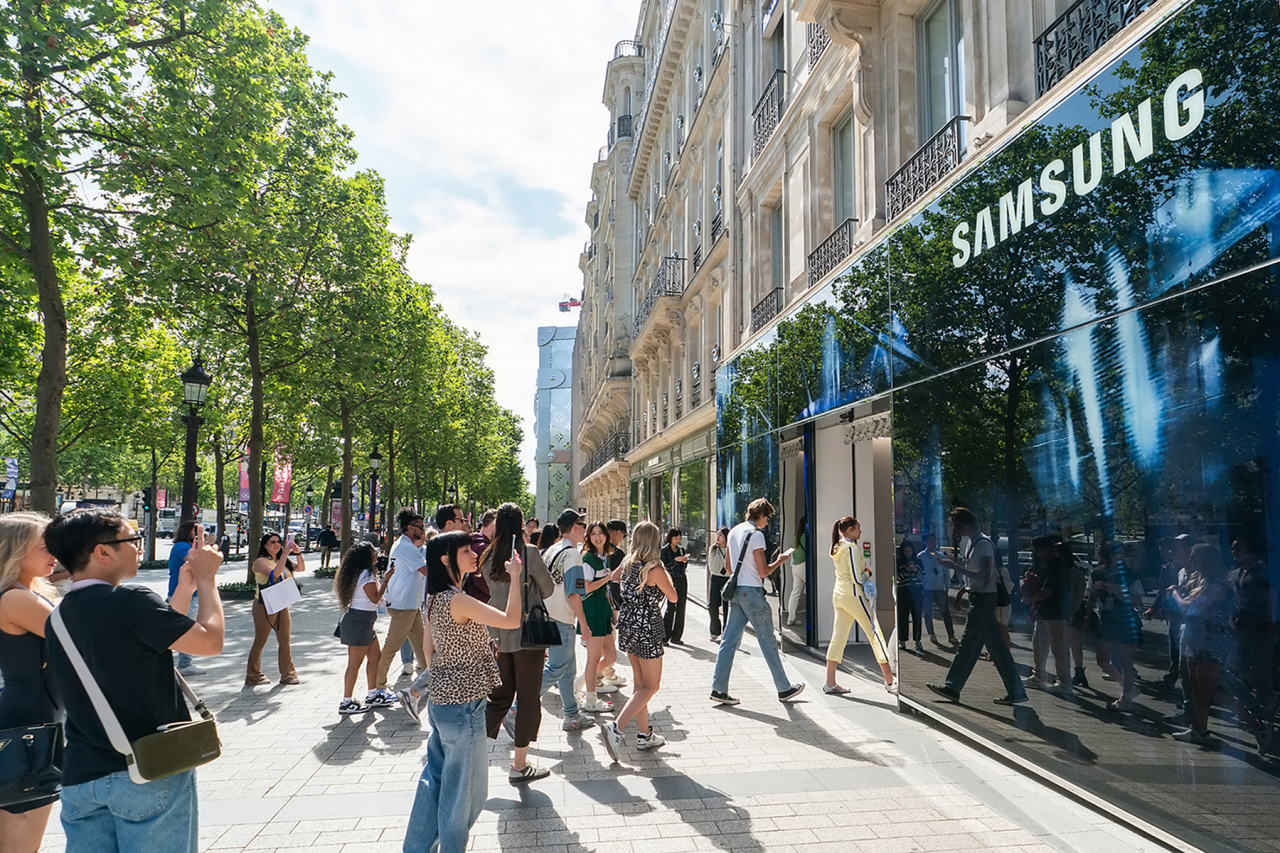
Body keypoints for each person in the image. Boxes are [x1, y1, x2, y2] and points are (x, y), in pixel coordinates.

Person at [44, 509, 224, 853]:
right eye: (133, 540)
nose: (140, 548)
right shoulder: (130, 600)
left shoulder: (59, 617)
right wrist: (206, 580)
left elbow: (154, 638)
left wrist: (184, 589)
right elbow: (209, 641)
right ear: (103, 551)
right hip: (147, 770)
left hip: (82, 777)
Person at [403, 531, 522, 852]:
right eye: (467, 550)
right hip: (464, 707)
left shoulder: (435, 597)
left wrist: (445, 676)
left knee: (435, 782)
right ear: (446, 559)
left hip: (443, 704)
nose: (475, 555)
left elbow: (429, 650)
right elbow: (511, 620)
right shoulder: (458, 599)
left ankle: (416, 847)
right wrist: (515, 578)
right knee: (465, 794)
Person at [0, 512, 63, 853]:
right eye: (45, 546)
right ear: (15, 552)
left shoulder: (23, 593)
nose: (54, 552)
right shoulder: (16, 598)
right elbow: (79, 638)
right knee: (20, 843)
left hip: (29, 718)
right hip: (29, 725)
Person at [482, 503, 557, 781]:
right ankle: (519, 764)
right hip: (528, 636)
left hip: (499, 636)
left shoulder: (488, 556)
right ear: (520, 524)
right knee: (527, 698)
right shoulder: (529, 554)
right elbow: (548, 589)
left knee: (499, 697)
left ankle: (472, 754)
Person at [1171, 544, 1270, 747]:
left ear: (1206, 560)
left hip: (1212, 640)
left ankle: (1257, 725)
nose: (1190, 561)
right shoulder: (1201, 581)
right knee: (1197, 687)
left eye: (1193, 557)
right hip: (1194, 636)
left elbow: (1191, 607)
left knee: (1210, 688)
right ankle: (1199, 730)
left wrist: (1174, 595)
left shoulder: (1218, 585)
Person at [927, 507, 1027, 706]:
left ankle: (952, 687)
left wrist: (954, 567)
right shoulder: (974, 542)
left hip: (982, 598)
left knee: (968, 644)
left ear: (967, 524)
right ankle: (1016, 691)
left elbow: (984, 576)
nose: (955, 529)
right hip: (980, 597)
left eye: (957, 525)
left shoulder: (981, 544)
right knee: (996, 647)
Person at [710, 498, 805, 705]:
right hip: (752, 592)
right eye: (767, 517)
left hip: (737, 593)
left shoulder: (734, 531)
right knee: (768, 642)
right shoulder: (757, 535)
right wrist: (779, 560)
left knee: (728, 641)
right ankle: (784, 689)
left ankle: (718, 688)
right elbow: (763, 571)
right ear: (760, 515)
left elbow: (728, 568)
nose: (767, 522)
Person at [600, 521, 676, 761]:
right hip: (648, 626)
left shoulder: (627, 563)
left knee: (640, 683)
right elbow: (673, 596)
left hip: (629, 623)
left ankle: (644, 734)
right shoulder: (654, 569)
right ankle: (617, 727)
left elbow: (613, 580)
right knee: (651, 686)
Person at [537, 510, 595, 729]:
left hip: (547, 615)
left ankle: (571, 714)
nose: (585, 529)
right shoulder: (572, 555)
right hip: (562, 619)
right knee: (557, 669)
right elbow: (574, 593)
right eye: (583, 524)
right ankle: (517, 706)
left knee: (567, 670)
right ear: (575, 527)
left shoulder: (552, 549)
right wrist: (584, 624)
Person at [824, 517, 895, 694]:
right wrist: (868, 572)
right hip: (854, 595)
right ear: (849, 530)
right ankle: (890, 681)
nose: (860, 532)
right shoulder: (852, 548)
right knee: (875, 634)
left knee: (837, 638)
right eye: (858, 528)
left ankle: (830, 682)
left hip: (839, 595)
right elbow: (858, 578)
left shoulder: (836, 547)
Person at [333, 543, 398, 714]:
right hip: (360, 622)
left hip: (364, 621)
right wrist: (386, 579)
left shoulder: (357, 573)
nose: (376, 554)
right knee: (355, 664)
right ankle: (346, 701)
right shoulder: (367, 575)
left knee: (375, 657)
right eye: (373, 552)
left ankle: (372, 693)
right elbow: (375, 598)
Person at [372, 509, 429, 693]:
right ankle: (377, 687)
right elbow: (428, 571)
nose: (423, 530)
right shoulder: (407, 547)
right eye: (420, 527)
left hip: (408, 604)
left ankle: (431, 681)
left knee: (422, 646)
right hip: (404, 605)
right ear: (410, 527)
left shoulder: (403, 544)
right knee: (392, 647)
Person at [1088, 542, 1142, 710]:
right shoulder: (1097, 573)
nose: (1119, 557)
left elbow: (1138, 600)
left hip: (1124, 618)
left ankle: (1126, 697)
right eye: (1114, 553)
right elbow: (1091, 596)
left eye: (1121, 553)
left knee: (1125, 659)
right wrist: (1086, 616)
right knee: (1102, 660)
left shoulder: (1130, 575)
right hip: (1105, 618)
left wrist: (1118, 590)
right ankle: (1128, 687)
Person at [245, 531, 303, 686]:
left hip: (281, 603)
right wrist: (284, 554)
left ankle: (287, 674)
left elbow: (301, 568)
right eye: (272, 542)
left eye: (278, 542)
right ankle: (253, 674)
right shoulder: (260, 561)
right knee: (261, 639)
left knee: (285, 639)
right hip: (264, 604)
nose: (276, 545)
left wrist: (297, 553)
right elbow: (275, 574)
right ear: (265, 545)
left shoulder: (282, 559)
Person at [1025, 536, 1072, 695]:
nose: (1037, 554)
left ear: (1045, 548)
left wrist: (1029, 599)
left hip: (1055, 612)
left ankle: (1065, 682)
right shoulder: (1046, 564)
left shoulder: (1057, 565)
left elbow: (1048, 590)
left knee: (1058, 648)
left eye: (1038, 550)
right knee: (1039, 643)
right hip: (1044, 612)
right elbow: (1044, 584)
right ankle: (1039, 675)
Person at [1229, 538, 1273, 708]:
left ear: (1251, 552)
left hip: (1259, 628)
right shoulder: (1238, 572)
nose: (1234, 552)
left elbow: (1271, 599)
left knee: (1261, 668)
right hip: (1240, 627)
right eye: (1233, 549)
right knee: (1238, 667)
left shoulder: (1261, 573)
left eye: (1238, 548)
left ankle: (1264, 706)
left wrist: (1269, 622)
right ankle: (1247, 704)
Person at [580, 522, 619, 712]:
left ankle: (581, 682)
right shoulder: (588, 558)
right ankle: (590, 699)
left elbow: (605, 588)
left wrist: (612, 612)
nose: (598, 537)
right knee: (593, 658)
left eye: (601, 533)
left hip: (603, 607)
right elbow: (586, 587)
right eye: (593, 534)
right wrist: (607, 578)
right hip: (592, 608)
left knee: (611, 656)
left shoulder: (604, 557)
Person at [167, 520, 204, 676]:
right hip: (182, 594)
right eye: (196, 529)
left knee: (183, 629)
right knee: (185, 629)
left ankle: (184, 663)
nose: (198, 532)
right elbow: (195, 560)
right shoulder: (182, 546)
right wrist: (203, 543)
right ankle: (184, 664)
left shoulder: (186, 546)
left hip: (188, 594)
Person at [920, 532, 956, 644]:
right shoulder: (920, 556)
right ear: (925, 542)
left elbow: (946, 573)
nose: (932, 543)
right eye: (930, 541)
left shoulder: (941, 556)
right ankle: (932, 633)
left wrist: (947, 587)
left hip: (939, 588)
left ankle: (951, 635)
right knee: (928, 612)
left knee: (945, 612)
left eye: (934, 541)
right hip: (926, 588)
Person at [660, 527, 689, 645]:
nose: (678, 541)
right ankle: (664, 636)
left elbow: (683, 568)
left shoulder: (681, 550)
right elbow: (664, 567)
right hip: (670, 580)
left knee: (681, 607)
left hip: (681, 579)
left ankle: (676, 636)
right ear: (670, 538)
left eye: (679, 539)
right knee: (670, 607)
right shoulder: (665, 551)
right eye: (676, 538)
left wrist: (683, 562)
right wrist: (675, 561)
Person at [895, 540, 925, 653]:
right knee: (903, 616)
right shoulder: (898, 562)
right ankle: (902, 640)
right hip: (903, 591)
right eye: (906, 551)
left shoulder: (918, 561)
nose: (908, 553)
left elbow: (922, 577)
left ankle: (918, 640)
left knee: (917, 616)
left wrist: (916, 570)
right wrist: (906, 570)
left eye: (910, 550)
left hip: (917, 592)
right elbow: (896, 578)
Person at [464, 509, 496, 603]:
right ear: (492, 526)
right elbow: (480, 578)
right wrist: (496, 593)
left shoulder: (473, 541)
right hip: (480, 600)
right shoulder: (483, 548)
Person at [707, 527, 730, 642]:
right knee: (712, 605)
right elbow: (710, 565)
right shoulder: (713, 549)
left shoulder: (731, 549)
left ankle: (726, 631)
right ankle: (715, 630)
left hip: (727, 578)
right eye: (717, 534)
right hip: (715, 578)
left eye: (720, 535)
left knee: (727, 607)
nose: (717, 537)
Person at [785, 517, 808, 627]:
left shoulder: (797, 537)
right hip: (804, 565)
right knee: (816, 592)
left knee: (795, 593)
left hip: (796, 567)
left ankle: (791, 618)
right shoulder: (806, 536)